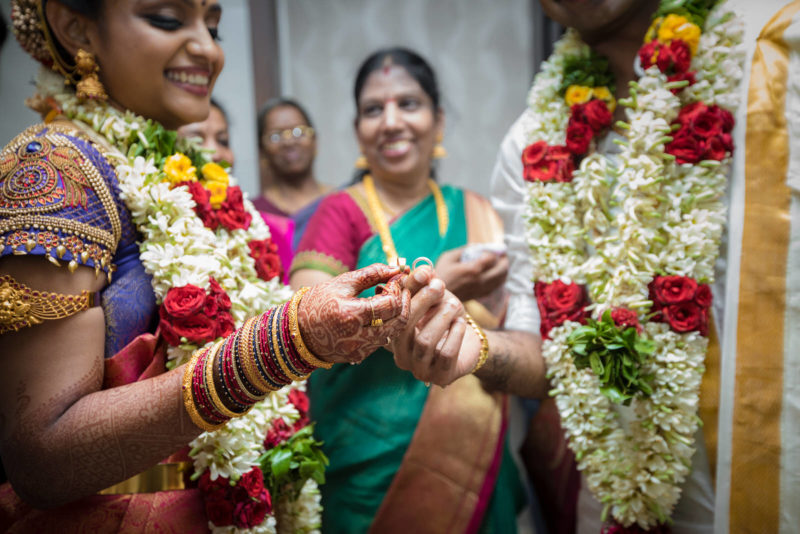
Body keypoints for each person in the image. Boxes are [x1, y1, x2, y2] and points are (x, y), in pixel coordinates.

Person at [0, 1, 436, 532]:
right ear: (75, 28)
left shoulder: (193, 179)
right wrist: (283, 345)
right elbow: (41, 462)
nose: (208, 49)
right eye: (166, 18)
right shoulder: (55, 169)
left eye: (213, 25)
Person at [394, 0, 800, 533]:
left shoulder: (773, 56)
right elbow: (546, 351)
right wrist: (477, 349)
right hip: (622, 503)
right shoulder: (530, 143)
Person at [289, 47, 520, 534]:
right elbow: (304, 329)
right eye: (374, 109)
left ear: (437, 122)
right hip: (363, 466)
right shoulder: (339, 213)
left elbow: (516, 329)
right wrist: (442, 284)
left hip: (469, 454)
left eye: (408, 104)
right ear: (358, 131)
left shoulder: (475, 209)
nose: (391, 121)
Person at [178, 98, 295, 283]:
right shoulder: (154, 230)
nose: (215, 152)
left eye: (223, 141)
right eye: (197, 140)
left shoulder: (267, 231)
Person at [253, 98, 329, 248]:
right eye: (276, 135)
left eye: (298, 132)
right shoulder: (255, 213)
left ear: (315, 141)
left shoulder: (340, 200)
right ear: (262, 151)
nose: (289, 142)